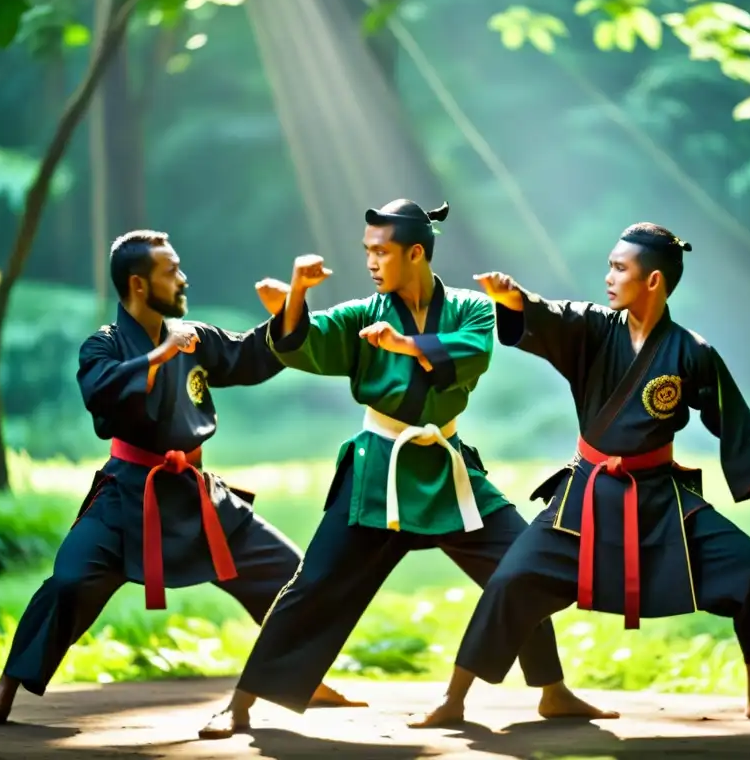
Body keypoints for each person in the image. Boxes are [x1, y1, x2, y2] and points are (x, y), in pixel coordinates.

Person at [198, 200, 613, 739]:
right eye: (367, 251)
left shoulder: (470, 307)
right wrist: (297, 296)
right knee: (314, 584)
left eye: (382, 251)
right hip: (380, 470)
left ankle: (552, 691)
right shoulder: (360, 314)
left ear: (415, 252)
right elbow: (306, 341)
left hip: (447, 467)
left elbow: (473, 352)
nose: (371, 261)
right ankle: (241, 703)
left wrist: (405, 345)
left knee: (521, 565)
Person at [413, 221, 750, 728]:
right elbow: (551, 316)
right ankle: (454, 700)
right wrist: (515, 299)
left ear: (652, 281)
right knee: (510, 580)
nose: (608, 277)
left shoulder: (690, 351)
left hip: (660, 502)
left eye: (619, 268)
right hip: (586, 496)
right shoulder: (592, 328)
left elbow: (728, 415)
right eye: (608, 265)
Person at [0, 230, 361, 726]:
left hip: (196, 496)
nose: (182, 278)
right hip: (128, 496)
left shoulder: (192, 336)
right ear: (137, 284)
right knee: (68, 583)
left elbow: (251, 354)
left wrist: (297, 294)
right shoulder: (104, 346)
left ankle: (301, 677)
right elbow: (103, 394)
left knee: (290, 573)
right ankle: (5, 689)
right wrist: (161, 355)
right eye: (170, 271)